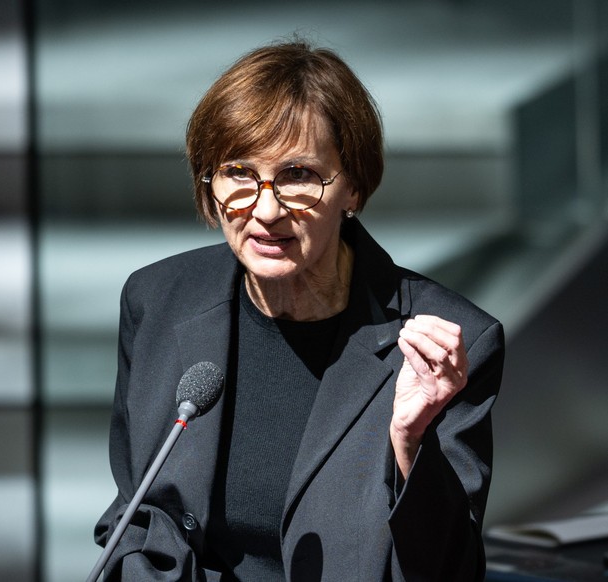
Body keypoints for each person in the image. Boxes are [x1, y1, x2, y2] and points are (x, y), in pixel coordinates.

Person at [94, 40, 504, 581]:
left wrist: (411, 445)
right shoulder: (158, 301)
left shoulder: (450, 343)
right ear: (209, 183)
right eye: (238, 172)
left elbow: (448, 571)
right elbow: (136, 518)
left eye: (298, 176)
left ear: (353, 187)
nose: (265, 209)